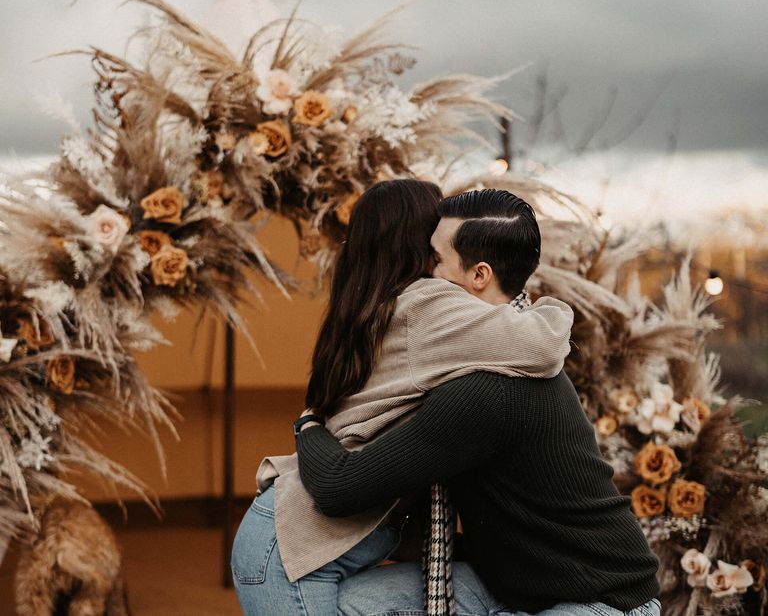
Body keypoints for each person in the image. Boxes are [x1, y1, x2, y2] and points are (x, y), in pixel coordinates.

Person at [293, 191, 661, 616]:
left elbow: (339, 488)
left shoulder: (488, 388)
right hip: (517, 584)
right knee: (357, 604)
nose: (421, 275)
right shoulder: (500, 348)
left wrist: (309, 425)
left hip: (601, 600)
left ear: (479, 275)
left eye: (434, 259)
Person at [230, 181, 574, 615]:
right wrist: (546, 306)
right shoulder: (426, 305)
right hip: (291, 554)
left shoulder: (369, 308)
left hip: (284, 538)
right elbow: (543, 346)